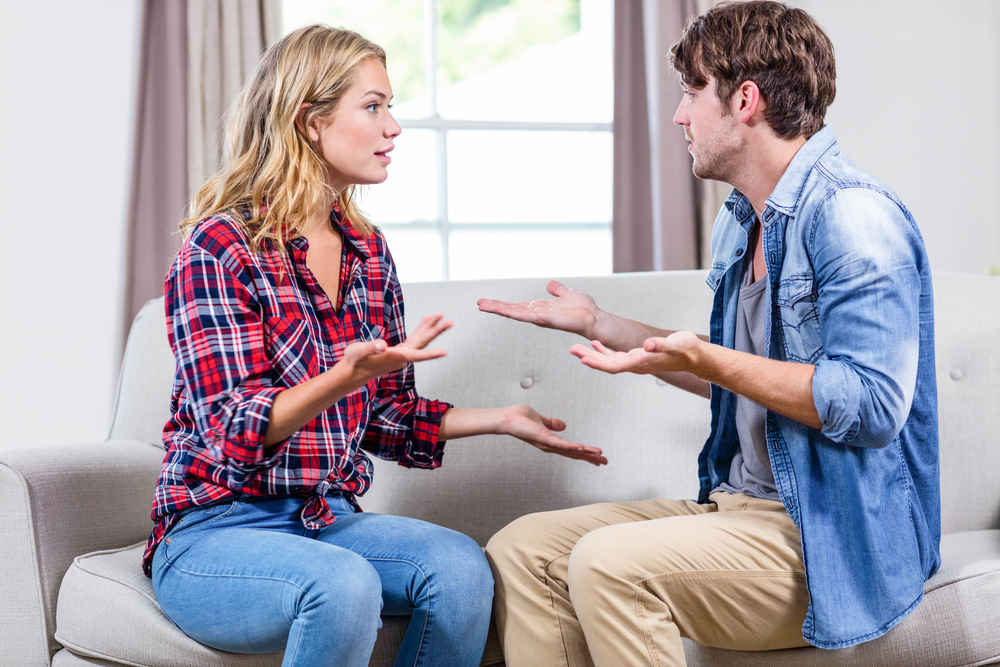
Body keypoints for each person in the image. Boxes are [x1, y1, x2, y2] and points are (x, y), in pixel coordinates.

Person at [480, 2, 939, 665]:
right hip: (738, 511)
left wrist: (717, 361)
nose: (679, 115)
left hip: (831, 538)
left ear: (744, 100)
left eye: (692, 91)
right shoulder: (742, 219)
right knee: (522, 549)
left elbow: (871, 404)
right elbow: (730, 366)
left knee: (610, 565)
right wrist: (601, 324)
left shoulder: (851, 216)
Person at [143, 24, 607, 667]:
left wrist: (502, 420)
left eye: (390, 106)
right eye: (373, 106)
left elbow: (387, 417)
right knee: (342, 585)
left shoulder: (367, 251)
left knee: (461, 568)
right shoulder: (221, 247)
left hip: (324, 517)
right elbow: (232, 429)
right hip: (215, 531)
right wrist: (341, 376)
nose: (393, 127)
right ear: (309, 121)